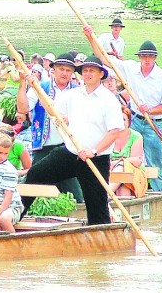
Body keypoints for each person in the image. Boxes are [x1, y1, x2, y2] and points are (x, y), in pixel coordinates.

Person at [21, 56, 123, 225]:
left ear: (100, 74)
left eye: (92, 71)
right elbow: (54, 112)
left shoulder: (109, 99)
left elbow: (115, 131)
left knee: (97, 206)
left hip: (95, 159)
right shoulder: (73, 95)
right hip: (71, 153)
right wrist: (36, 88)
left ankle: (101, 233)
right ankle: (15, 215)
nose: (88, 74)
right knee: (35, 174)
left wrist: (93, 151)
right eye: (85, 71)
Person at [101, 36, 162, 192]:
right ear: (140, 57)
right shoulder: (130, 68)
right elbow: (106, 60)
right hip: (134, 119)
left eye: (150, 56)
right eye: (144, 56)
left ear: (154, 58)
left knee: (155, 162)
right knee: (131, 159)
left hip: (153, 123)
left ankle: (161, 193)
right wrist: (90, 37)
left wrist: (150, 110)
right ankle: (132, 189)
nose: (147, 60)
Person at [16, 53, 84, 202]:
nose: (64, 73)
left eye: (68, 70)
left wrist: (71, 118)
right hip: (44, 146)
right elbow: (23, 109)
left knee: (75, 193)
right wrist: (23, 84)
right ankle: (20, 213)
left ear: (72, 72)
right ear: (53, 70)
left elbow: (86, 117)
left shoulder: (78, 91)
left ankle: (83, 215)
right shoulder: (40, 87)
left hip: (68, 148)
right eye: (61, 69)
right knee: (32, 186)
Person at [110, 109, 144, 196]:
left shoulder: (136, 136)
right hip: (110, 172)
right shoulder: (109, 136)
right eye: (118, 120)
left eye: (124, 120)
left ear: (129, 122)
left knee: (122, 166)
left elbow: (135, 162)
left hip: (132, 173)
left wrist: (119, 162)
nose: (121, 123)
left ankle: (106, 193)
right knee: (122, 189)